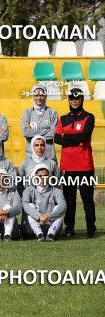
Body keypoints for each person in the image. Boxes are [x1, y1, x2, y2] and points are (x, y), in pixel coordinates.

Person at [54, 88, 96, 238]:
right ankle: (69, 229)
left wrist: (67, 137)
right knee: (69, 200)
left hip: (85, 166)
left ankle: (91, 229)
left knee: (87, 200)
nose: (75, 101)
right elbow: (57, 139)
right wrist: (74, 139)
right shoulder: (63, 118)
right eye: (72, 98)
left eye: (77, 98)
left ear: (82, 100)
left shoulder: (89, 117)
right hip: (68, 166)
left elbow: (84, 137)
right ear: (69, 100)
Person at [22, 164, 67, 242]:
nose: (42, 178)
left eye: (45, 175)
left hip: (52, 224)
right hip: (36, 224)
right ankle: (40, 235)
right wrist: (39, 217)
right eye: (39, 176)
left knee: (59, 209)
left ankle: (50, 235)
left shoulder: (57, 191)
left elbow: (63, 206)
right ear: (34, 176)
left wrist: (49, 216)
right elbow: (25, 206)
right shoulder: (28, 191)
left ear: (49, 176)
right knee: (30, 206)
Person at [21, 84, 58, 160]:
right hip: (31, 156)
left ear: (46, 96)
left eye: (41, 95)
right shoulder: (27, 113)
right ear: (33, 96)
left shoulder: (52, 112)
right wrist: (47, 130)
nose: (39, 98)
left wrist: (32, 132)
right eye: (36, 95)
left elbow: (54, 133)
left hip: (49, 155)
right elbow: (25, 132)